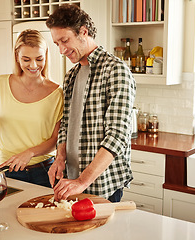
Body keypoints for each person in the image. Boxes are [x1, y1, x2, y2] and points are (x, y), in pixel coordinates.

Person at [46, 4, 136, 202]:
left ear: (83, 31)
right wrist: (60, 157)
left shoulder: (115, 70)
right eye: (56, 44)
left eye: (65, 40)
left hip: (100, 185)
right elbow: (65, 126)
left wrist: (82, 181)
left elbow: (117, 137)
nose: (61, 50)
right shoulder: (71, 76)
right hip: (70, 182)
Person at [0, 29, 64, 188]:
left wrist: (29, 153)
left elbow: (56, 140)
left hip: (44, 171)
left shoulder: (57, 93)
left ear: (46, 56)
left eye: (39, 59)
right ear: (17, 57)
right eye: (26, 59)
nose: (33, 65)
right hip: (8, 169)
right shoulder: (0, 84)